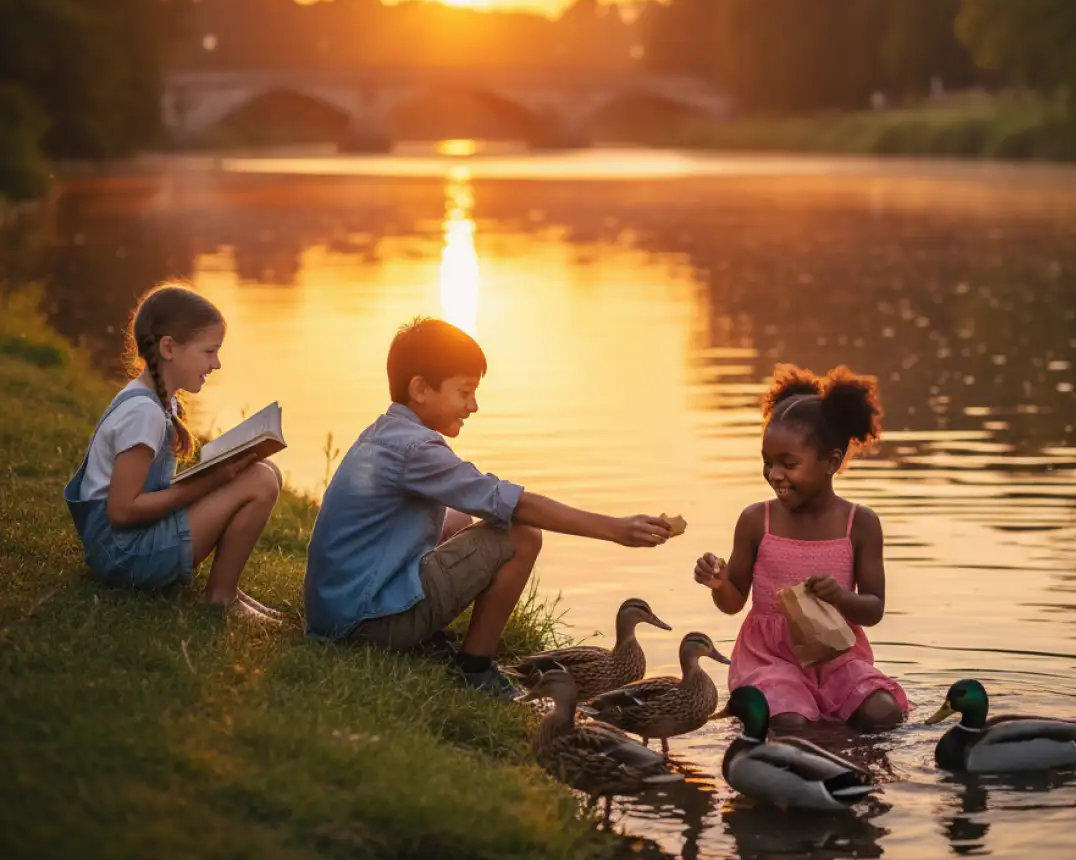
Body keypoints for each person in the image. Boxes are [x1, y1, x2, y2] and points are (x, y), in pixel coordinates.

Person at [303, 316, 672, 698]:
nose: (473, 405)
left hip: (335, 613)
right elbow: (512, 504)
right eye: (464, 392)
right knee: (521, 534)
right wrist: (614, 529)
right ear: (421, 389)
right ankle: (474, 668)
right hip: (365, 625)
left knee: (461, 516)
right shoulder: (417, 451)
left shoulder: (385, 432)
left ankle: (425, 636)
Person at [694, 364, 908, 731]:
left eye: (788, 464)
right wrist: (718, 583)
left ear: (832, 462)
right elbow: (733, 602)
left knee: (883, 713)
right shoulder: (755, 521)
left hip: (837, 656)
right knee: (789, 720)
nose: (774, 474)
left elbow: (873, 609)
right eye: (767, 462)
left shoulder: (861, 524)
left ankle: (849, 774)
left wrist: (840, 597)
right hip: (769, 659)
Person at [64, 283, 282, 621]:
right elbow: (122, 511)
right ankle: (220, 597)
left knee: (265, 472)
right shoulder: (144, 413)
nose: (217, 364)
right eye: (209, 352)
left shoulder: (160, 401)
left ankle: (228, 591)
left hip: (127, 543)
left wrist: (214, 475)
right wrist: (210, 482)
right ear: (169, 347)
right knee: (261, 482)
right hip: (124, 555)